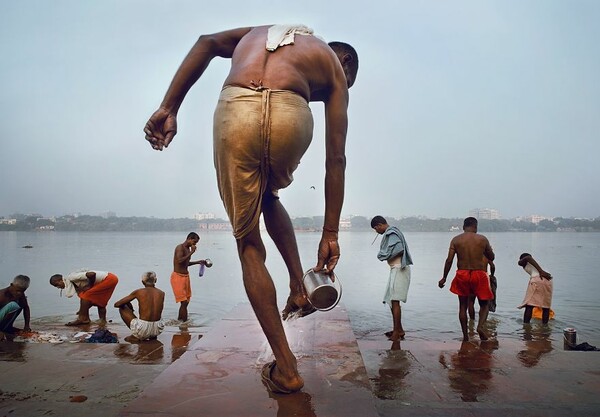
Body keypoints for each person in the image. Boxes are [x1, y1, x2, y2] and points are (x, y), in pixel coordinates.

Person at [144, 24, 358, 394]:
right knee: (270, 195)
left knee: (248, 243)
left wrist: (168, 108)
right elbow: (335, 159)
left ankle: (287, 364)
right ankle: (298, 288)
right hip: (291, 116)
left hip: (237, 110)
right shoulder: (332, 63)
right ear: (345, 61)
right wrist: (330, 234)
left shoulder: (259, 32)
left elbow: (205, 43)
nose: (334, 90)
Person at [438, 217, 495, 341]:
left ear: (464, 227)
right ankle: (480, 327)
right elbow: (492, 257)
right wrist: (485, 250)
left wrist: (444, 278)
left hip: (462, 274)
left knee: (462, 306)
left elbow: (449, 260)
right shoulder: (482, 239)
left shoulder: (456, 240)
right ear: (475, 226)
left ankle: (465, 336)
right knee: (484, 304)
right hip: (479, 273)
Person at [371, 216, 413, 341]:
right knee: (391, 300)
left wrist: (385, 255)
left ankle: (396, 333)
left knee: (395, 301)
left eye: (375, 229)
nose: (376, 232)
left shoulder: (391, 233)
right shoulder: (392, 232)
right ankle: (399, 329)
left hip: (400, 268)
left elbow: (399, 249)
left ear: (379, 225)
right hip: (395, 268)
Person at [49, 269, 119, 326]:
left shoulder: (71, 277)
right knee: (100, 301)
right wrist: (81, 311)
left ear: (60, 280)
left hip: (109, 279)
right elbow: (86, 302)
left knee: (85, 295)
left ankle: (84, 319)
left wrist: (89, 285)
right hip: (110, 279)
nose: (58, 287)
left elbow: (91, 274)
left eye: (56, 285)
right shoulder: (73, 285)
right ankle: (102, 321)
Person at [114, 271, 165, 341]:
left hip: (142, 329)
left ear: (142, 282)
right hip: (158, 329)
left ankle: (136, 335)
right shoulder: (161, 293)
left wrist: (129, 305)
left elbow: (117, 304)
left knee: (122, 308)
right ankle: (151, 335)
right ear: (155, 280)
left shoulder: (139, 292)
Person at [171, 232, 207, 322]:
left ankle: (180, 321)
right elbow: (179, 261)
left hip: (186, 277)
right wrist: (191, 252)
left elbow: (186, 263)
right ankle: (185, 324)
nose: (195, 244)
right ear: (189, 239)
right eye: (194, 242)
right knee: (183, 302)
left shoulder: (187, 249)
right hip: (177, 277)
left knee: (186, 302)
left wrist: (198, 262)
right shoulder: (180, 247)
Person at [517, 253, 553, 324]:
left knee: (529, 306)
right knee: (545, 307)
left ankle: (526, 326)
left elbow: (528, 258)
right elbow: (529, 258)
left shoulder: (523, 261)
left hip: (537, 279)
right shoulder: (539, 263)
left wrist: (540, 271)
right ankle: (544, 327)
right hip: (548, 280)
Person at [0, 275, 31, 341]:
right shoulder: (2, 295)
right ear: (11, 285)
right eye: (17, 290)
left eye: (22, 291)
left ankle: (7, 327)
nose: (19, 293)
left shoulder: (21, 295)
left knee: (20, 304)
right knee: (13, 305)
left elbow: (26, 308)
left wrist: (27, 326)